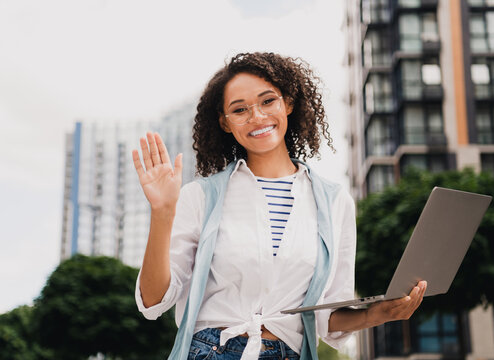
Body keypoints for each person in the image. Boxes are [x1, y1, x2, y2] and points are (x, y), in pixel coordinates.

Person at [132, 52, 427, 360]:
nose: (257, 116)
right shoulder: (201, 196)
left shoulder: (335, 202)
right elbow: (153, 302)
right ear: (225, 122)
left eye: (267, 101)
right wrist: (162, 213)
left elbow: (328, 314)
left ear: (287, 102)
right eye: (240, 109)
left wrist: (378, 313)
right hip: (210, 351)